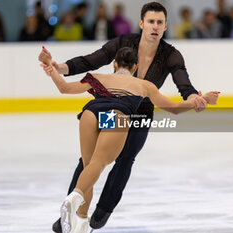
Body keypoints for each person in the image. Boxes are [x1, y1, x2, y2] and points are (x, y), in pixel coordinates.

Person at [39, 2, 209, 232]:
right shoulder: (123, 43)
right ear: (141, 23)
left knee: (125, 158)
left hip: (141, 111)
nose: (155, 26)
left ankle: (103, 209)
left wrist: (194, 99)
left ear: (166, 25)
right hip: (116, 110)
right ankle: (71, 214)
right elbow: (91, 60)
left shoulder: (171, 55)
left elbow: (184, 84)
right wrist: (61, 67)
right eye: (151, 21)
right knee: (89, 160)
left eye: (159, 22)